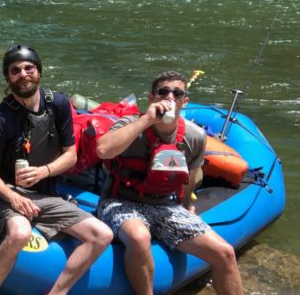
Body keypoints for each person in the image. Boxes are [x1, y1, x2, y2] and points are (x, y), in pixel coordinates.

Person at [95, 71, 242, 294]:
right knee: (139, 236)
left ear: (185, 101)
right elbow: (103, 150)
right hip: (120, 200)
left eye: (177, 93)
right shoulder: (130, 124)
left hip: (166, 206)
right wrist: (147, 120)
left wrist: (185, 208)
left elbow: (190, 178)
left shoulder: (194, 136)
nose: (170, 97)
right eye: (163, 92)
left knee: (225, 253)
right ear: (152, 97)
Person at [0, 45, 113, 295]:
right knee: (20, 233)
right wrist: (14, 198)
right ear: (8, 78)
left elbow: (71, 155)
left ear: (39, 72)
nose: (23, 74)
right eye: (15, 70)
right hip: (9, 193)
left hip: (46, 193)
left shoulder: (59, 104)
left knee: (102, 234)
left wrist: (44, 171)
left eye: (29, 68)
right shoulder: (1, 119)